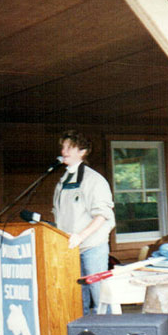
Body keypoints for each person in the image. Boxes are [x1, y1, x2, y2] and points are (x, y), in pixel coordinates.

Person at [52, 130, 115, 315]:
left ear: (83, 151)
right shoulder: (63, 181)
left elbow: (102, 216)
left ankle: (109, 333)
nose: (64, 151)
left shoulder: (93, 180)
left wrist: (81, 236)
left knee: (100, 295)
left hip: (92, 247)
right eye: (63, 147)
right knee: (78, 297)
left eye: (69, 148)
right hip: (70, 248)